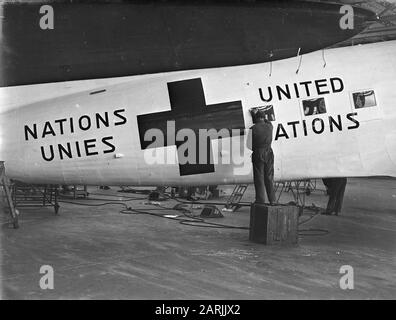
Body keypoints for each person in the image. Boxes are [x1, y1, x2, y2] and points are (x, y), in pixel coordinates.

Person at [247, 110, 276, 205]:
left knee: (259, 178)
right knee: (269, 177)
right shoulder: (270, 127)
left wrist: (256, 149)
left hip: (258, 153)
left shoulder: (253, 129)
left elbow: (248, 145)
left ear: (257, 118)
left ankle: (260, 200)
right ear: (263, 117)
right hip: (269, 152)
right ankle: (272, 200)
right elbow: (267, 121)